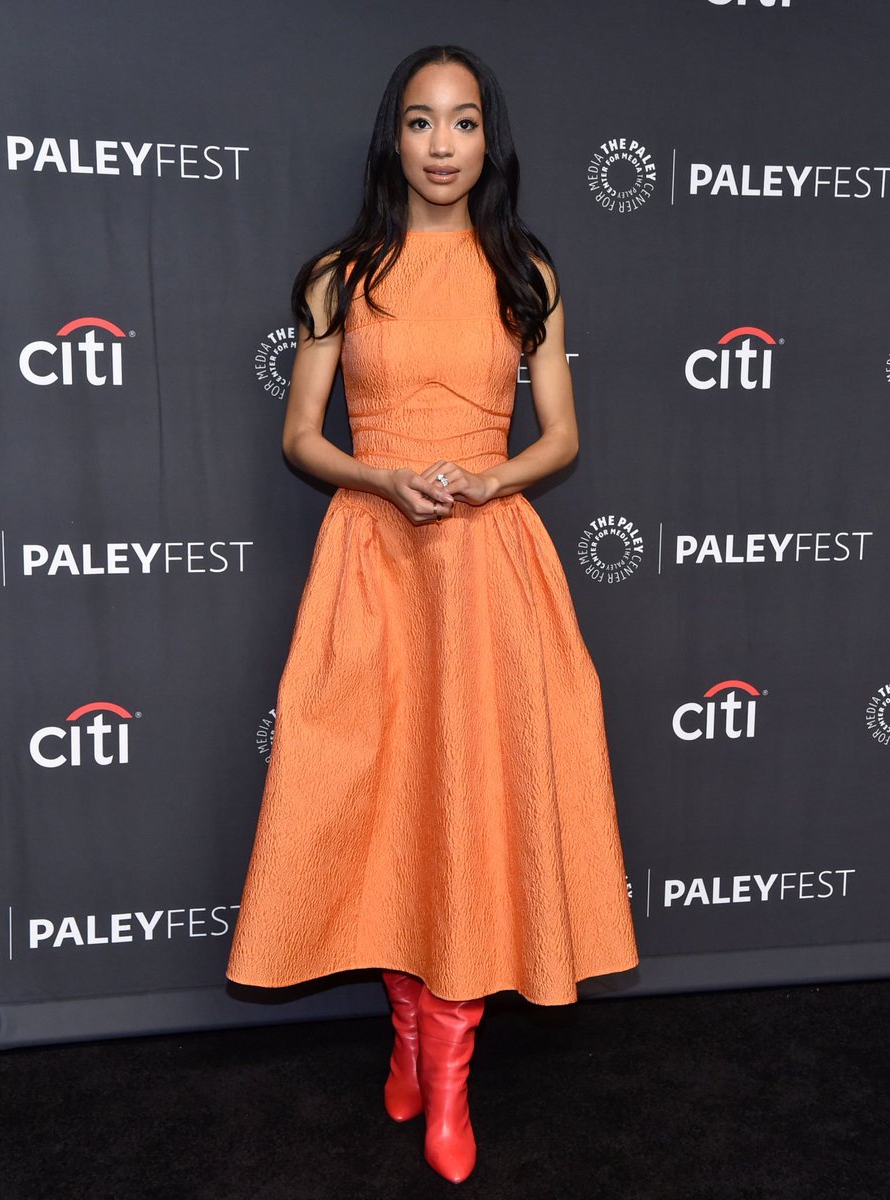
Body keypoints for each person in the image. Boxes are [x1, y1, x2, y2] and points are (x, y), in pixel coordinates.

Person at [227, 44, 639, 1185]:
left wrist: (491, 479)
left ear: (487, 140)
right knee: (388, 809)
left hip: (488, 563)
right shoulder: (337, 274)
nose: (443, 145)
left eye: (462, 123)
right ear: (393, 139)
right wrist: (380, 476)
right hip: (373, 559)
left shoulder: (528, 272)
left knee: (469, 809)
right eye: (421, 122)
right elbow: (302, 436)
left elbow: (558, 435)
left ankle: (447, 1081)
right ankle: (405, 1035)